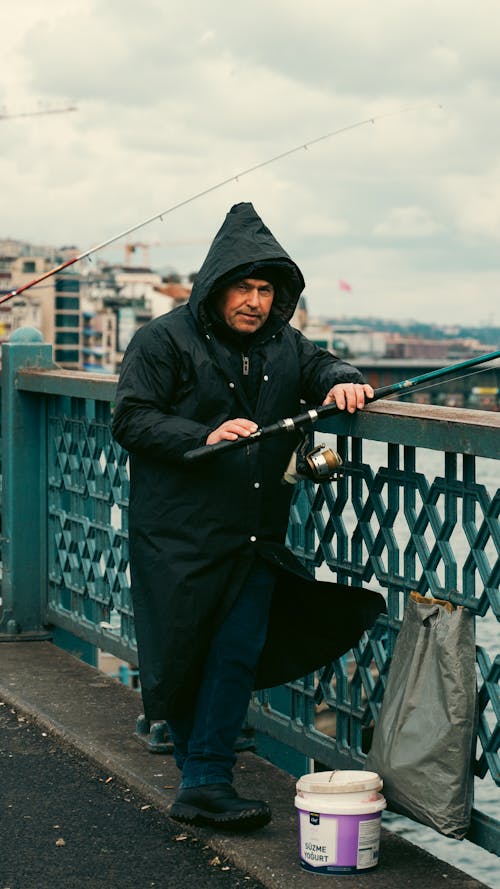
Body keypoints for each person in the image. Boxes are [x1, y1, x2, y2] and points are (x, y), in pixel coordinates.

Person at [112, 202, 385, 831]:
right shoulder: (161, 340)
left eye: (266, 289)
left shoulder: (287, 344)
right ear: (216, 286)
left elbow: (322, 367)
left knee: (235, 650)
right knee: (185, 651)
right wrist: (204, 435)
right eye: (244, 286)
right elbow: (131, 418)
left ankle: (204, 781)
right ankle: (201, 776)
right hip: (179, 532)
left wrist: (344, 378)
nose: (255, 301)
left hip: (254, 533)